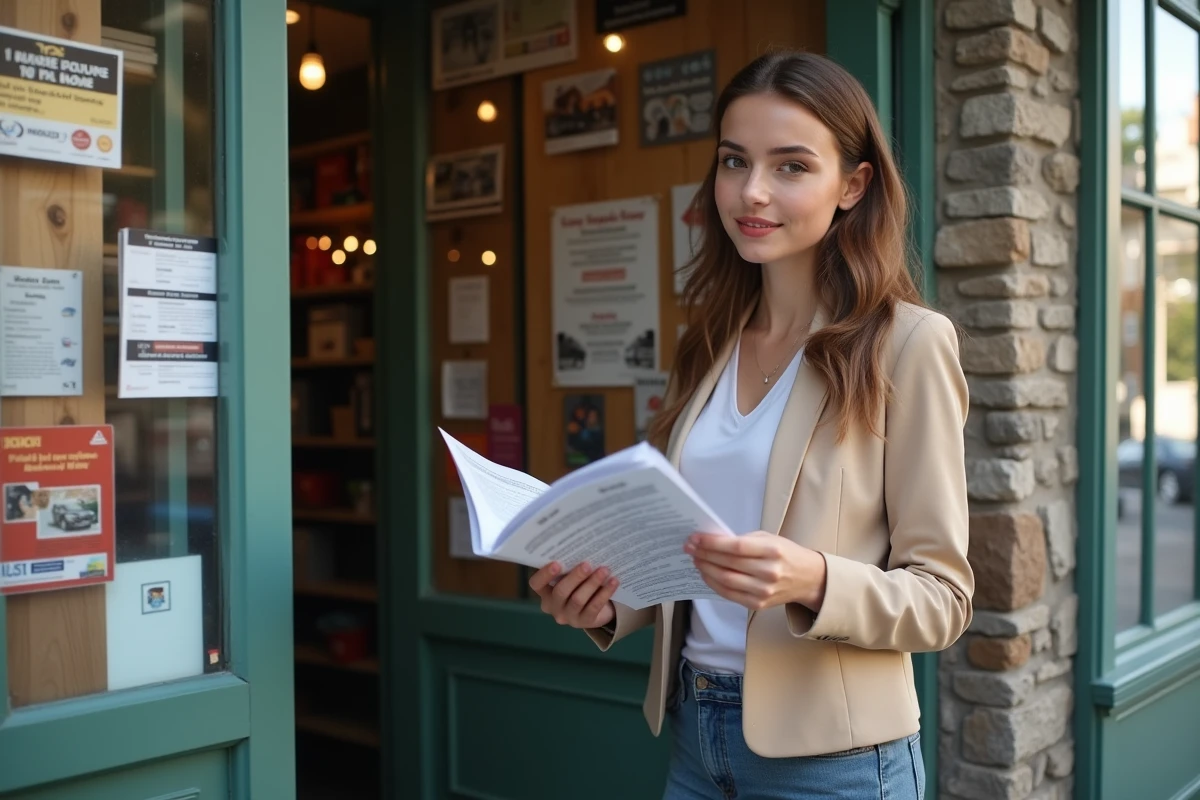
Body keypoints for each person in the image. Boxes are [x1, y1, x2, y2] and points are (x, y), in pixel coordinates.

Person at [527, 49, 972, 800]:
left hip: (834, 761)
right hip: (696, 739)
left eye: (791, 165)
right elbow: (689, 559)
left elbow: (944, 599)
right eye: (735, 161)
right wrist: (606, 602)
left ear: (853, 185)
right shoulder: (709, 342)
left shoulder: (908, 343)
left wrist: (813, 579)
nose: (752, 190)